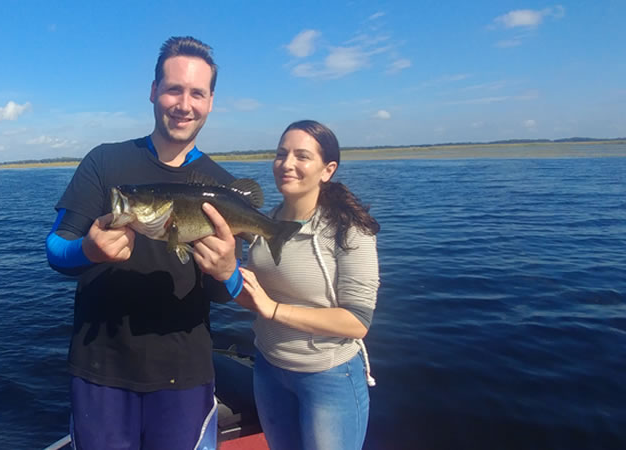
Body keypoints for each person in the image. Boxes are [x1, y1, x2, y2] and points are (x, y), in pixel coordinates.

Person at [45, 36, 243, 450]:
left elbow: (225, 291)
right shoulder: (104, 162)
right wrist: (87, 251)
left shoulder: (223, 187)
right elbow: (55, 248)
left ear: (210, 102)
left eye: (197, 93)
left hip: (185, 372)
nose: (183, 104)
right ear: (153, 92)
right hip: (102, 367)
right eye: (173, 89)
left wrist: (228, 274)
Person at [234, 120, 381, 450]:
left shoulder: (349, 230)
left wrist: (274, 309)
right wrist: (223, 273)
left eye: (302, 156)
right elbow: (254, 300)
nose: (287, 164)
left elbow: (357, 322)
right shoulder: (261, 223)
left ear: (327, 170)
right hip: (268, 370)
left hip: (327, 376)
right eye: (281, 154)